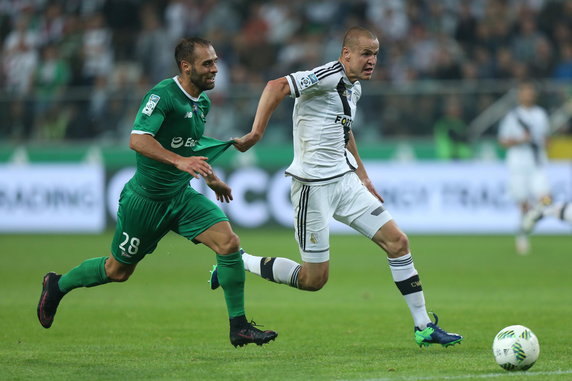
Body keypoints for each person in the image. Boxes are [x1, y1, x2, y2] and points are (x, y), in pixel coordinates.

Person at [211, 27, 462, 348]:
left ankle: (424, 326)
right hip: (312, 188)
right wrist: (256, 132)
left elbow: (345, 129)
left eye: (376, 54)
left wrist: (364, 176)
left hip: (345, 182)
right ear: (346, 55)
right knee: (314, 280)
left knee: (398, 242)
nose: (372, 61)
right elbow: (276, 86)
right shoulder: (327, 74)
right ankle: (238, 261)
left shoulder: (353, 88)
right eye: (366, 54)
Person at [37, 37, 277, 348]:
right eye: (208, 63)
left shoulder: (201, 102)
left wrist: (211, 178)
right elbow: (138, 139)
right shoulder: (162, 96)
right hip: (145, 201)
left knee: (228, 243)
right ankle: (58, 284)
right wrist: (179, 161)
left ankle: (239, 326)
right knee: (117, 270)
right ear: (186, 66)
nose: (215, 69)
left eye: (215, 61)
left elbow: (189, 147)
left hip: (180, 196)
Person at [498, 81, 552, 255]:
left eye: (531, 91)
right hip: (518, 163)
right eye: (525, 91)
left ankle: (531, 219)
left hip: (537, 162)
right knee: (522, 202)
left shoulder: (541, 114)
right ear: (520, 95)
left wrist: (545, 143)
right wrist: (520, 140)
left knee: (546, 198)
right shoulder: (512, 116)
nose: (529, 95)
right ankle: (522, 236)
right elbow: (503, 141)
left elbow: (546, 138)